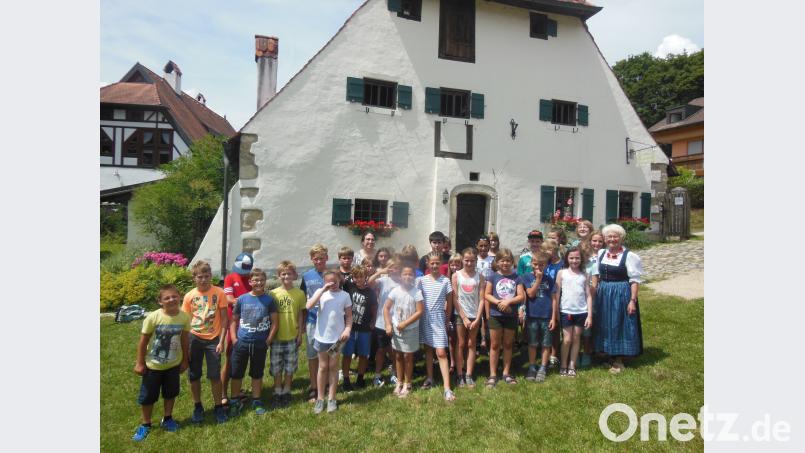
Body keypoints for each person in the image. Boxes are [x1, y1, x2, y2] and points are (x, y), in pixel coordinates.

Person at [131, 284, 191, 442]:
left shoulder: (184, 317)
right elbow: (143, 342)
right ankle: (146, 424)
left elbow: (185, 340)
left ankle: (168, 418)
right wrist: (140, 363)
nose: (171, 299)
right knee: (148, 396)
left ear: (180, 297)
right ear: (160, 301)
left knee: (171, 393)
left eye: (174, 296)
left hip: (173, 365)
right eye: (167, 297)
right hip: (153, 366)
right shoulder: (153, 317)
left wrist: (185, 360)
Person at [591, 224, 644, 374]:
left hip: (621, 293)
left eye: (615, 236)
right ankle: (608, 354)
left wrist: (632, 300)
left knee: (619, 323)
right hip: (604, 292)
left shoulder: (629, 256)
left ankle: (619, 360)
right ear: (605, 239)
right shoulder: (601, 253)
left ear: (621, 238)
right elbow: (595, 274)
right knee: (605, 322)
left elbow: (634, 280)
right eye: (609, 237)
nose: (612, 239)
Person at [182, 261, 228, 424]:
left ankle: (218, 407)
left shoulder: (219, 292)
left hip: (213, 339)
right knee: (194, 375)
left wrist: (221, 341)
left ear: (211, 276)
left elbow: (224, 320)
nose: (203, 280)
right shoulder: (189, 296)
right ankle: (198, 406)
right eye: (200, 277)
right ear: (194, 278)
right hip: (194, 338)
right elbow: (186, 322)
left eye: (206, 276)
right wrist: (185, 345)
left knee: (214, 375)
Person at [228, 268, 279, 416]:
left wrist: (268, 340)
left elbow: (275, 322)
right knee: (236, 373)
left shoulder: (269, 300)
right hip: (242, 342)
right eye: (255, 280)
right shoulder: (242, 299)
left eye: (261, 280)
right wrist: (234, 339)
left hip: (259, 343)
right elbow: (233, 321)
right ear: (250, 282)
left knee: (257, 373)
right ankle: (235, 400)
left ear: (265, 282)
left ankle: (256, 399)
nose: (258, 283)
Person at [306, 270, 352, 414]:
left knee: (333, 367)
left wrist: (347, 330)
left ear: (340, 280)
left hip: (337, 340)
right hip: (321, 338)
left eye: (335, 281)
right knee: (323, 367)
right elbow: (308, 306)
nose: (332, 284)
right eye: (329, 281)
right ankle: (320, 399)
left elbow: (349, 317)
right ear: (324, 282)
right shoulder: (321, 293)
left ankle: (332, 398)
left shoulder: (345, 296)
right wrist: (321, 290)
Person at [418, 252, 456, 401]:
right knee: (428, 349)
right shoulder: (421, 280)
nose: (434, 266)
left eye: (437, 263)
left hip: (439, 318)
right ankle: (430, 377)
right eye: (432, 263)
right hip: (425, 317)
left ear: (441, 264)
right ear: (428, 263)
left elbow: (450, 303)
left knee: (441, 352)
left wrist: (447, 319)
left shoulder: (445, 281)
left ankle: (447, 388)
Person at [484, 248, 525, 387]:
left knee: (508, 344)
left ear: (512, 262)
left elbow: (521, 296)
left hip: (511, 315)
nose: (505, 263)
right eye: (502, 260)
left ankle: (506, 373)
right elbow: (487, 294)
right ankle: (492, 374)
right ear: (497, 262)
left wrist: (508, 302)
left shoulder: (517, 277)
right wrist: (498, 302)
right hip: (496, 315)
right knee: (495, 345)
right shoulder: (493, 276)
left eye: (508, 260)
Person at [268, 261, 306, 408]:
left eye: (289, 273)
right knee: (277, 367)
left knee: (290, 366)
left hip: (292, 336)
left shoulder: (299, 293)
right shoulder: (273, 293)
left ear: (294, 275)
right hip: (277, 336)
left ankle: (287, 391)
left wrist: (300, 333)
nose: (286, 276)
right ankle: (277, 391)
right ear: (278, 276)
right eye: (283, 274)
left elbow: (301, 314)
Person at [384, 265, 424, 398]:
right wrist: (388, 324)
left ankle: (408, 383)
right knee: (398, 356)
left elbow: (419, 311)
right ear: (400, 276)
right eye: (405, 274)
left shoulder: (416, 292)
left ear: (414, 276)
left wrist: (405, 323)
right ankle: (399, 382)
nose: (407, 277)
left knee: (408, 356)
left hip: (410, 330)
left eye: (410, 274)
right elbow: (386, 308)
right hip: (397, 329)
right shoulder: (395, 291)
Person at [555, 247, 593, 378]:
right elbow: (557, 294)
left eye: (577, 258)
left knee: (576, 339)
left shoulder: (585, 275)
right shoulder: (562, 273)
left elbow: (588, 295)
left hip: (581, 311)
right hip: (566, 311)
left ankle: (572, 365)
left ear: (581, 259)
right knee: (566, 339)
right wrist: (555, 313)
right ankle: (563, 365)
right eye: (571, 258)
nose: (574, 260)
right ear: (567, 259)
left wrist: (589, 315)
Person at [221, 252, 253, 405]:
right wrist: (247, 302)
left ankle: (237, 390)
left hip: (249, 324)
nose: (242, 274)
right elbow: (229, 299)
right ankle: (222, 392)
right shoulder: (230, 277)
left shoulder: (252, 278)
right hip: (233, 323)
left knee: (241, 360)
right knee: (229, 359)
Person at [341, 265, 377, 390]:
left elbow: (374, 308)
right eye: (356, 277)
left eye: (361, 276)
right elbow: (339, 277)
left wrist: (373, 321)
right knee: (347, 354)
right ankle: (346, 379)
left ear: (365, 277)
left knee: (363, 354)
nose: (359, 279)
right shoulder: (348, 287)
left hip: (364, 328)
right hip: (349, 328)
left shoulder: (370, 292)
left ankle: (360, 378)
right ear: (353, 277)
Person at [452, 247, 484, 388]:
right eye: (466, 260)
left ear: (476, 261)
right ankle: (459, 374)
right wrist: (464, 317)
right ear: (462, 260)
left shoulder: (480, 276)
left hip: (475, 315)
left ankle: (469, 374)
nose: (469, 263)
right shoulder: (456, 275)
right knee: (461, 344)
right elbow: (455, 298)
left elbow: (482, 299)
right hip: (461, 315)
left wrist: (478, 318)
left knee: (471, 344)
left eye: (472, 261)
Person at [522, 253, 557, 383]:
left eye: (541, 265)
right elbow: (530, 294)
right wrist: (538, 279)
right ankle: (532, 366)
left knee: (546, 343)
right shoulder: (526, 277)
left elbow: (554, 299)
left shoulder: (550, 279)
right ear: (531, 264)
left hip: (546, 316)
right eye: (535, 264)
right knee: (532, 343)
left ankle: (543, 367)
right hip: (532, 315)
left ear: (546, 265)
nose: (538, 267)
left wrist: (554, 317)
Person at [300, 244, 328, 402]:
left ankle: (327, 384)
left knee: (329, 355)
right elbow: (304, 300)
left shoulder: (332, 275)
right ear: (312, 259)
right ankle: (314, 387)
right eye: (316, 258)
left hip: (329, 322)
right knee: (312, 356)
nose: (319, 261)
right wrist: (303, 321)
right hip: (312, 320)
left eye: (321, 258)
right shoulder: (306, 276)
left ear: (326, 258)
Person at [368, 257, 402, 387]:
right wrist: (382, 271)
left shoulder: (401, 281)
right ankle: (377, 375)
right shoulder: (384, 280)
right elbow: (370, 282)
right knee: (381, 350)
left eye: (396, 267)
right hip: (382, 321)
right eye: (391, 267)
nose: (394, 269)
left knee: (395, 351)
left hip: (397, 321)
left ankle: (394, 373)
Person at [579, 230, 605, 367]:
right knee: (578, 329)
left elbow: (594, 285)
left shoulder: (593, 265)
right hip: (576, 301)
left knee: (588, 328)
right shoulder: (575, 265)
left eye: (587, 253)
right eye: (583, 253)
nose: (585, 256)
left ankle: (588, 352)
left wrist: (588, 300)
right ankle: (578, 351)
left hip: (590, 299)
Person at [541, 239, 564, 367]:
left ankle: (554, 355)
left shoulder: (561, 264)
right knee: (547, 327)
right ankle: (546, 352)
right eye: (544, 250)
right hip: (545, 298)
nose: (546, 252)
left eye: (548, 250)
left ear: (555, 250)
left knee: (556, 327)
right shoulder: (545, 264)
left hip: (559, 297)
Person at [446, 253, 462, 378]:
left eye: (457, 264)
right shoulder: (446, 279)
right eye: (452, 264)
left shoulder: (463, 277)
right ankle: (452, 362)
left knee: (461, 340)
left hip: (461, 310)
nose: (455, 266)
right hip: (449, 312)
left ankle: (461, 362)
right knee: (451, 339)